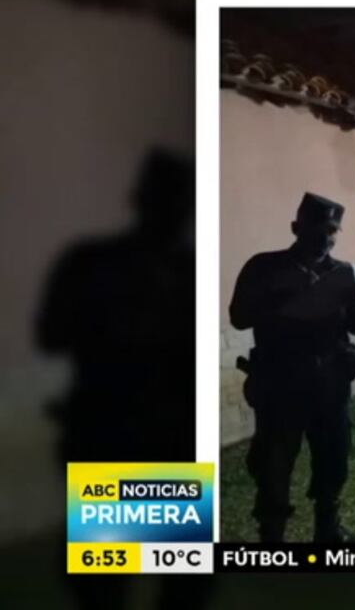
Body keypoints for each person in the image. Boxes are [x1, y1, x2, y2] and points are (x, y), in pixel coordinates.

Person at [37, 147, 211, 609]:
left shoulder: (184, 270)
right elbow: (52, 335)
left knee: (176, 580)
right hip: (116, 434)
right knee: (109, 581)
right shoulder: (95, 263)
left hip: (164, 437)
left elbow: (51, 335)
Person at [229, 192, 355, 543]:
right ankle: (272, 535)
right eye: (317, 229)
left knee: (333, 457)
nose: (325, 238)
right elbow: (239, 317)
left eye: (332, 231)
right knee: (273, 464)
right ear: (296, 228)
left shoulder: (343, 273)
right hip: (281, 383)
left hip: (329, 383)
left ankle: (328, 528)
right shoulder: (265, 267)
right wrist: (287, 298)